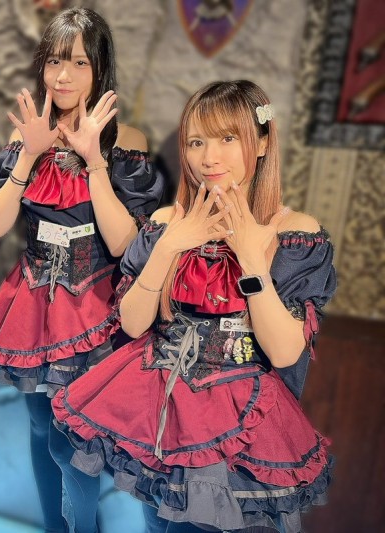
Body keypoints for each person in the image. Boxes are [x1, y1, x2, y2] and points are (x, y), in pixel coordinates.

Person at [51, 80, 335, 533]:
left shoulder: (295, 235)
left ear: (263, 142)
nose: (209, 157)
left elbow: (285, 353)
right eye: (197, 142)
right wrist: (169, 246)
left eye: (228, 138)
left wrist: (251, 259)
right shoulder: (166, 223)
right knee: (155, 518)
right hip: (157, 409)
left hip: (240, 421)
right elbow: (134, 323)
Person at [0, 8, 164, 533]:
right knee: (41, 427)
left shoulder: (128, 141)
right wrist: (27, 157)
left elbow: (126, 242)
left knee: (75, 435)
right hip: (34, 300)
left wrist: (94, 159)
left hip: (96, 303)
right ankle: (55, 524)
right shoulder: (27, 138)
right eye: (55, 60)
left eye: (79, 62)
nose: (63, 75)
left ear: (99, 68)